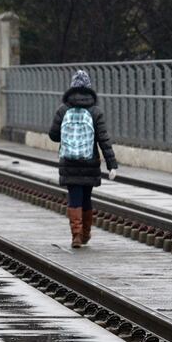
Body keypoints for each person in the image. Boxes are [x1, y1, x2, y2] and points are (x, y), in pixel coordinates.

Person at [48, 70, 118, 248]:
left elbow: (53, 135)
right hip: (90, 162)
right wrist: (112, 164)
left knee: (74, 198)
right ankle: (86, 234)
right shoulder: (95, 112)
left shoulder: (63, 110)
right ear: (89, 89)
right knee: (86, 198)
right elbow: (104, 139)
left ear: (72, 88)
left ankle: (76, 235)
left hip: (69, 162)